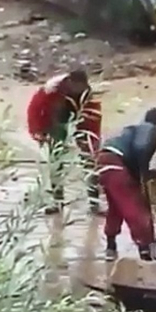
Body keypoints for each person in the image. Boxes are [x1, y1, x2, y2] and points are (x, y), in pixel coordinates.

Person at [26, 69, 102, 214]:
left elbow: (93, 119)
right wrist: (38, 132)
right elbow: (35, 110)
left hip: (80, 115)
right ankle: (57, 203)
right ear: (70, 82)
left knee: (90, 160)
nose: (79, 90)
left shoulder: (88, 96)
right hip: (56, 118)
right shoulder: (51, 90)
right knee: (56, 161)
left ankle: (94, 204)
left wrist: (92, 142)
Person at [97, 108, 156, 261]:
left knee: (116, 206)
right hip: (117, 164)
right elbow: (141, 150)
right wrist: (142, 177)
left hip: (103, 161)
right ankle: (144, 250)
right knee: (134, 208)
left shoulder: (133, 129)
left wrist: (139, 175)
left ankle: (111, 246)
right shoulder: (151, 130)